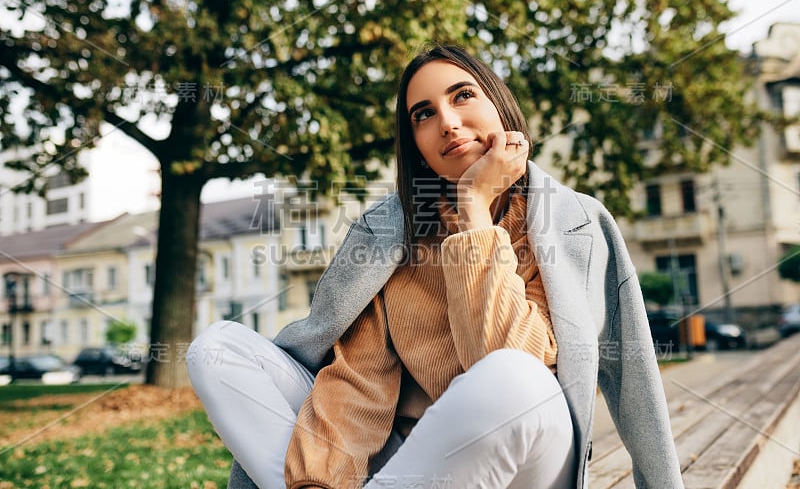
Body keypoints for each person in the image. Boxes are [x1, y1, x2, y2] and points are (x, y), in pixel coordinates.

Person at [187, 44, 683, 488]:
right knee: (217, 349)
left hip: (531, 455)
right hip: (419, 465)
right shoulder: (392, 238)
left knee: (514, 377)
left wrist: (474, 209)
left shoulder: (573, 222)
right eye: (423, 114)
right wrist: (319, 479)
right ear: (417, 146)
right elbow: (359, 379)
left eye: (462, 95)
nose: (446, 121)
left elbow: (503, 355)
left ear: (499, 104)